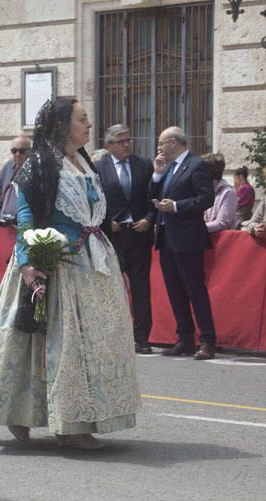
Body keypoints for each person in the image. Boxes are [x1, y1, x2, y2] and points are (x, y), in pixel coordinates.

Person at [0, 98, 141, 450]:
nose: (88, 124)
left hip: (92, 264)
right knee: (46, 341)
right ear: (63, 125)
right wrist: (29, 262)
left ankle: (80, 415)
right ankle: (64, 422)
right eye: (82, 119)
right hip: (55, 262)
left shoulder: (84, 162)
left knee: (91, 345)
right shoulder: (40, 164)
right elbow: (27, 216)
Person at [151, 126, 217, 360]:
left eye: (161, 143)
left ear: (173, 142)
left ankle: (208, 340)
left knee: (195, 290)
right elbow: (153, 194)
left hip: (188, 238)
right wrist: (158, 174)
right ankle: (185, 337)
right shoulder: (168, 168)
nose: (158, 148)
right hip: (167, 237)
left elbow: (206, 198)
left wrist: (177, 206)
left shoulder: (196, 165)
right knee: (175, 291)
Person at [98, 124, 156, 354]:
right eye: (122, 141)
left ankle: (142, 337)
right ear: (109, 145)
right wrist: (106, 220)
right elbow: (95, 199)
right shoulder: (98, 167)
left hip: (139, 232)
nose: (127, 145)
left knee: (141, 287)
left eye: (129, 140)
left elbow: (155, 197)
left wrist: (150, 219)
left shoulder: (143, 165)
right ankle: (113, 335)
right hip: (114, 234)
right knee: (113, 287)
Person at [202, 153, 236, 233]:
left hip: (222, 243)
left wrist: (195, 229)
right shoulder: (207, 192)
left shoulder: (228, 193)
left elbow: (222, 223)